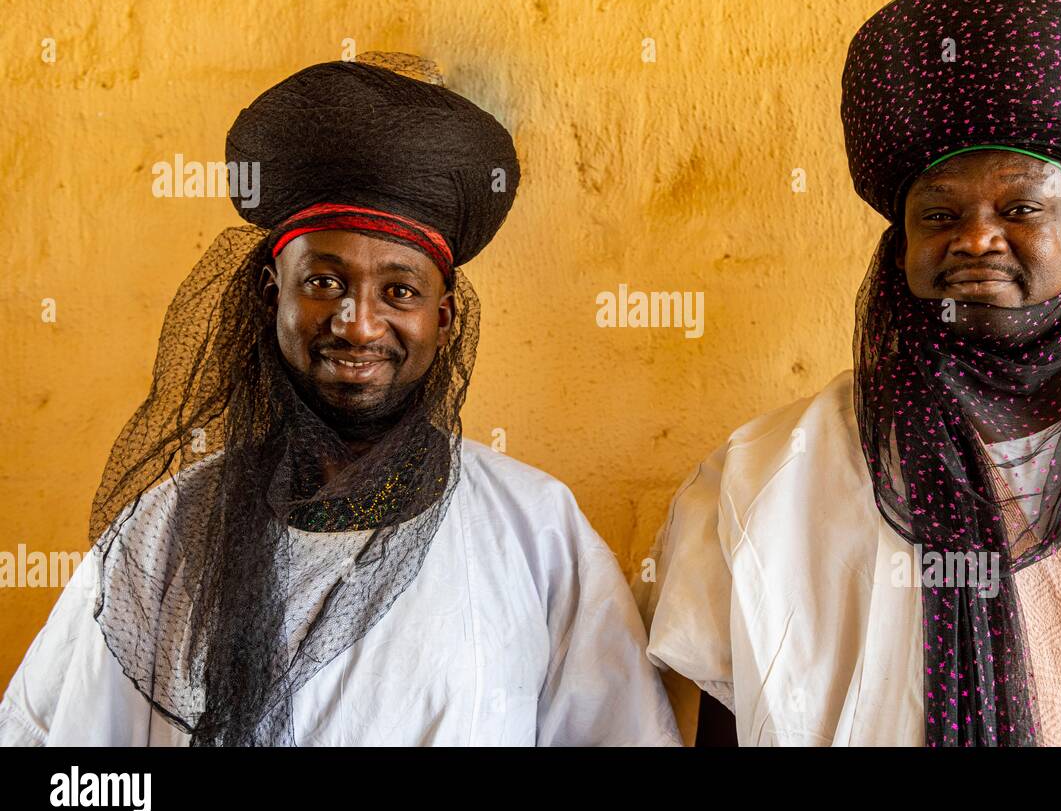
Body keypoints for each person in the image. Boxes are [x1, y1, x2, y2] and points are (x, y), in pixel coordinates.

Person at [639, 0, 1061, 747]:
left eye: (1019, 208)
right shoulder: (769, 476)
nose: (976, 238)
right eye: (939, 214)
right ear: (904, 247)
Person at [0, 52, 681, 747]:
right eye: (324, 282)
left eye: (400, 291)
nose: (357, 322)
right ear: (272, 296)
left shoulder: (535, 531)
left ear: (442, 322)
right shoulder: (164, 531)